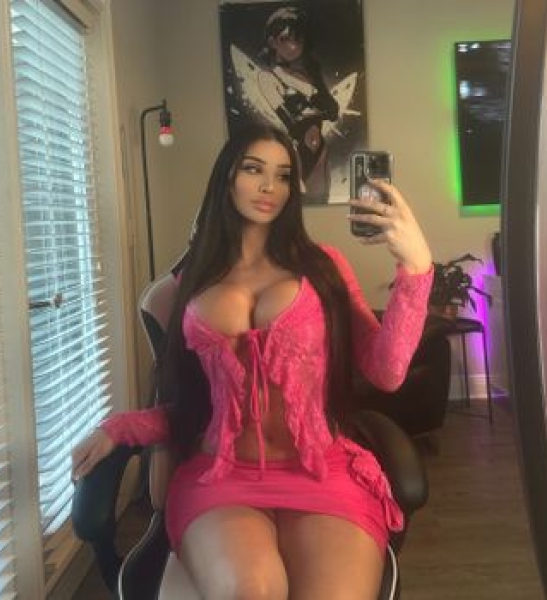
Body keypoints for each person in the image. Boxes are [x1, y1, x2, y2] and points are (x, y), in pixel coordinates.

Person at [72, 124, 433, 599]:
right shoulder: (185, 285)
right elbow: (191, 406)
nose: (269, 187)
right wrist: (122, 427)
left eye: (283, 175)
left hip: (322, 472)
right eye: (253, 169)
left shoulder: (324, 267)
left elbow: (386, 372)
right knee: (251, 592)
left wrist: (416, 268)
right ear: (227, 178)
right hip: (222, 478)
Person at [257, 7, 339, 202]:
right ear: (272, 42)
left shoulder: (310, 75)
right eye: (285, 39)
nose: (293, 46)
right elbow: (291, 122)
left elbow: (333, 111)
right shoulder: (267, 78)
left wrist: (317, 89)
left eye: (298, 40)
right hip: (295, 151)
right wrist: (315, 107)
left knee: (321, 201)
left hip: (319, 150)